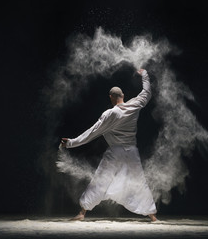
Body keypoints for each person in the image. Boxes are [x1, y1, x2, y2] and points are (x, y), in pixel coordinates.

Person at [60, 69, 157, 222]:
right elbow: (147, 92)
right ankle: (152, 216)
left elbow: (92, 133)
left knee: (101, 179)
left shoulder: (110, 114)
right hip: (132, 151)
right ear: (123, 96)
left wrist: (71, 143)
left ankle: (82, 213)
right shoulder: (135, 105)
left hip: (116, 151)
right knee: (139, 181)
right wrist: (144, 74)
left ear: (111, 97)